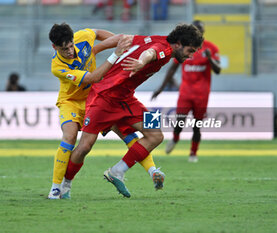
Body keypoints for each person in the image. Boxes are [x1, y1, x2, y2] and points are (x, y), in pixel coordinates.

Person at [60, 23, 204, 198]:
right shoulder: (164, 49)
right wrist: (141, 61)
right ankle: (64, 185)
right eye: (190, 50)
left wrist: (97, 49)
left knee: (156, 135)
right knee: (84, 146)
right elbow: (150, 53)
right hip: (104, 96)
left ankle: (116, 172)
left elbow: (124, 38)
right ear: (179, 44)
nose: (190, 56)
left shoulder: (156, 39)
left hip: (126, 98)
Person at [48, 23, 161, 199]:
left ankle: (151, 171)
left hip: (101, 96)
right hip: (72, 101)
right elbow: (94, 77)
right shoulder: (57, 66)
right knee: (73, 139)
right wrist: (117, 52)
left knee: (134, 133)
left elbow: (101, 34)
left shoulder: (82, 36)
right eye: (64, 49)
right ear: (54, 47)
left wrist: (120, 44)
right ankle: (58, 187)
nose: (70, 51)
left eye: (71, 46)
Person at [151, 20, 221, 163]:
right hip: (186, 92)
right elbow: (172, 69)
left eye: (200, 30)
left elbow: (218, 70)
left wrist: (209, 59)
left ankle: (193, 153)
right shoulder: (185, 48)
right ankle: (175, 138)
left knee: (197, 125)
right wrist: (161, 88)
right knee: (180, 121)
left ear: (203, 32)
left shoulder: (211, 49)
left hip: (202, 94)